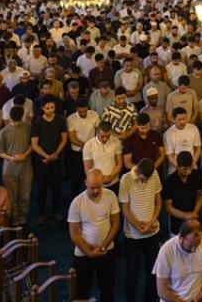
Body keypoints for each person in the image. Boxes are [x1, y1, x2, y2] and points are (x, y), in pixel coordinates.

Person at [68, 168, 120, 302]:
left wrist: (103, 247)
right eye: (92, 188)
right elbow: (74, 234)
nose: (96, 191)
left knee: (108, 290)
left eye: (99, 187)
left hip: (106, 251)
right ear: (86, 183)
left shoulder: (111, 196)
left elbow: (115, 224)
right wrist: (89, 251)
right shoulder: (77, 202)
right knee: (81, 292)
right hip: (83, 253)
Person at [119, 158, 163, 302]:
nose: (145, 182)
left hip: (152, 233)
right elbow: (125, 209)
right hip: (133, 236)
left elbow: (158, 201)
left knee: (152, 272)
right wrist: (139, 226)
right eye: (143, 179)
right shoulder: (126, 179)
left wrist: (152, 221)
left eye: (147, 179)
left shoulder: (154, 174)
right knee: (131, 274)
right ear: (137, 171)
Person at [154, 220, 202, 302]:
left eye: (197, 245)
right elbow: (162, 291)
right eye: (191, 245)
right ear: (181, 237)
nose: (194, 250)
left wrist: (197, 299)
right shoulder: (166, 250)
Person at [32, 97, 68, 226]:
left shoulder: (60, 120)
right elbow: (34, 144)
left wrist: (56, 153)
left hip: (56, 159)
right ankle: (42, 213)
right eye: (47, 108)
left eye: (52, 107)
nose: (50, 110)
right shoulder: (37, 124)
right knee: (41, 188)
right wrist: (46, 156)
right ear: (42, 108)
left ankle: (57, 211)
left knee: (57, 186)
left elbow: (64, 139)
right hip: (41, 161)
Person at [0, 104, 33, 227]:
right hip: (9, 168)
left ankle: (23, 217)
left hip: (26, 167)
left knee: (25, 195)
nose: (17, 123)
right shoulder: (4, 131)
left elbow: (33, 145)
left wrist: (24, 155)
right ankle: (14, 218)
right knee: (12, 195)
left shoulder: (28, 127)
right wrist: (12, 158)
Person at [165, 151, 202, 234]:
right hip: (177, 224)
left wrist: (194, 212)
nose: (188, 171)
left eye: (190, 168)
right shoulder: (170, 181)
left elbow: (200, 196)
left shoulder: (197, 175)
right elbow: (169, 207)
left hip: (195, 220)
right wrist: (186, 216)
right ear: (178, 166)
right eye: (184, 169)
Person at [83, 121, 124, 188]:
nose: (105, 139)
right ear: (97, 132)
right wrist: (99, 179)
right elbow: (88, 169)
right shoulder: (88, 145)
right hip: (96, 184)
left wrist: (110, 177)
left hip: (114, 181)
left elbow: (119, 163)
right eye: (102, 136)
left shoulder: (116, 141)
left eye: (108, 136)